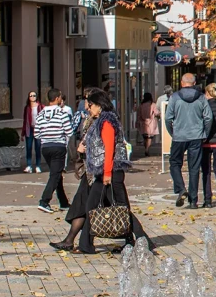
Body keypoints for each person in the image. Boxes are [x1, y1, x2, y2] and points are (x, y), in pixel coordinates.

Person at [50, 89, 153, 254]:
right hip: (101, 171)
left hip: (110, 172)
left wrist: (106, 173)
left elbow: (109, 148)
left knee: (121, 209)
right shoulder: (99, 120)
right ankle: (87, 245)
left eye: (90, 105)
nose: (88, 108)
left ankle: (141, 242)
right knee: (94, 206)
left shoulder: (106, 122)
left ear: (98, 105)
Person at [165, 74, 213, 209]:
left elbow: (168, 118)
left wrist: (173, 133)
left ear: (181, 83)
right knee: (194, 168)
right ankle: (193, 201)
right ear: (194, 83)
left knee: (174, 163)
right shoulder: (202, 98)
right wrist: (205, 133)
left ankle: (181, 189)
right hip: (196, 136)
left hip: (179, 136)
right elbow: (208, 118)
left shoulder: (174, 97)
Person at [35, 87, 75, 213]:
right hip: (58, 147)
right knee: (55, 175)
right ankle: (44, 201)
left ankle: (63, 202)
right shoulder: (62, 113)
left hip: (45, 147)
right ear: (57, 98)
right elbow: (69, 131)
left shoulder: (40, 114)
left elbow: (36, 134)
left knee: (56, 174)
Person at [22, 90, 43, 173]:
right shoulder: (27, 108)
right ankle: (29, 165)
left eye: (34, 95)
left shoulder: (41, 107)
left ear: (36, 97)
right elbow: (25, 120)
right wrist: (22, 133)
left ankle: (38, 166)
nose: (32, 97)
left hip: (38, 129)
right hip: (29, 129)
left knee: (38, 148)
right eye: (31, 96)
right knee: (29, 148)